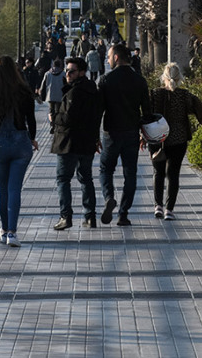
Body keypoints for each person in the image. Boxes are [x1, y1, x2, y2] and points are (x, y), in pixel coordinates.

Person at [0, 55, 38, 247]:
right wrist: (32, 138)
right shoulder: (24, 91)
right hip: (21, 143)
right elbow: (31, 119)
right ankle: (13, 232)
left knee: (3, 189)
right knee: (15, 189)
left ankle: (4, 230)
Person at [98, 43, 151, 226]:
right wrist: (145, 134)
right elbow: (147, 111)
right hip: (131, 133)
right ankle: (123, 214)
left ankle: (108, 198)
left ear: (117, 57)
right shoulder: (139, 80)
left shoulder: (106, 80)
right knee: (130, 173)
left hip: (111, 132)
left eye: (109, 56)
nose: (107, 59)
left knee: (106, 169)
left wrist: (93, 136)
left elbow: (99, 110)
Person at [147, 63, 202, 221]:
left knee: (158, 173)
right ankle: (169, 210)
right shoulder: (185, 95)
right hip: (178, 140)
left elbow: (145, 115)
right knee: (173, 174)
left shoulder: (154, 94)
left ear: (164, 78)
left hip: (157, 139)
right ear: (179, 77)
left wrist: (142, 135)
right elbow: (200, 109)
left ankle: (158, 206)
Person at [51, 57, 102, 230]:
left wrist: (54, 117)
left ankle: (66, 216)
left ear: (81, 72)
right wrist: (96, 138)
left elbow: (69, 119)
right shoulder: (92, 90)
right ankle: (90, 217)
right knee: (86, 178)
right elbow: (96, 118)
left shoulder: (75, 92)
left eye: (71, 71)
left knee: (63, 179)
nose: (67, 74)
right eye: (67, 71)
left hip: (69, 142)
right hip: (86, 142)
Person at [39, 58, 65, 134]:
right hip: (60, 95)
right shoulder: (63, 73)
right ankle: (57, 125)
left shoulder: (47, 73)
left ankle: (53, 124)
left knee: (51, 110)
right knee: (58, 110)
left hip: (50, 95)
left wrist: (42, 95)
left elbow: (43, 85)